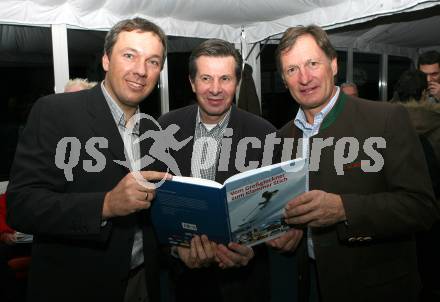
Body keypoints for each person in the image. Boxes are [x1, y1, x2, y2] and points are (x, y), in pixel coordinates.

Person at [6, 17, 169, 302]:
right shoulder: (56, 111)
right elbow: (21, 206)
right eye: (129, 55)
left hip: (143, 282)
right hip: (76, 287)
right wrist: (105, 205)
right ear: (106, 60)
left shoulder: (155, 131)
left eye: (153, 61)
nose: (141, 70)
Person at [275, 25, 438, 302]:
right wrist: (286, 231)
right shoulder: (281, 137)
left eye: (313, 63)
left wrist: (344, 209)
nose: (304, 77)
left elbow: (422, 208)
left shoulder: (386, 119)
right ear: (283, 79)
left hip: (376, 289)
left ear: (334, 64)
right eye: (292, 70)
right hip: (307, 284)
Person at [157, 39, 277, 302]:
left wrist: (253, 250)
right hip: (186, 285)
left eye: (225, 78)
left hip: (246, 285)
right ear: (192, 82)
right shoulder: (164, 128)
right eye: (206, 78)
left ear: (236, 83)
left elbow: (272, 210)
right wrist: (177, 251)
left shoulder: (265, 133)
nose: (215, 89)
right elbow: (152, 209)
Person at [391, 69, 440, 302]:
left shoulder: (385, 120)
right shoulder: (437, 120)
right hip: (432, 203)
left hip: (395, 204)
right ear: (423, 94)